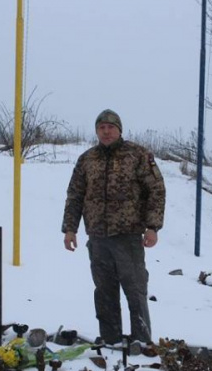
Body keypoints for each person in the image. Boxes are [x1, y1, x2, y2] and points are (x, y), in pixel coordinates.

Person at [62, 109, 166, 346]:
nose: (106, 131)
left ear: (119, 129)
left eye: (110, 127)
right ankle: (110, 342)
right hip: (98, 238)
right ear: (97, 131)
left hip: (128, 237)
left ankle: (141, 343)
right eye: (101, 127)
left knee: (135, 292)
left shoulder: (137, 155)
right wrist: (70, 228)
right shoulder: (87, 159)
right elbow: (75, 195)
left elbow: (156, 190)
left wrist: (152, 227)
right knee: (105, 292)